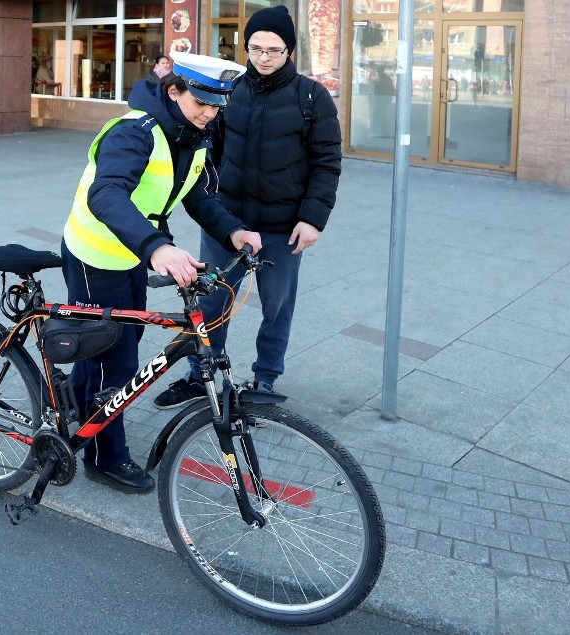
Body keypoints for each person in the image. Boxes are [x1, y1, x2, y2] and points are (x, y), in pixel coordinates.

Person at [61, 51, 262, 493]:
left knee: (119, 341)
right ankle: (102, 457)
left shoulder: (190, 133)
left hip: (134, 251)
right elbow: (107, 194)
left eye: (215, 108)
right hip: (97, 253)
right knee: (114, 359)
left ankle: (79, 402)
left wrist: (234, 232)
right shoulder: (135, 132)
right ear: (174, 91)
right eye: (200, 105)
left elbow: (198, 196)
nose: (208, 116)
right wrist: (158, 249)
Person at [155, 5, 342, 409]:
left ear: (289, 50)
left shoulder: (312, 96)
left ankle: (265, 380)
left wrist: (313, 219)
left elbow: (327, 162)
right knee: (211, 302)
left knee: (276, 307)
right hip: (228, 222)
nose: (263, 58)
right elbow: (208, 149)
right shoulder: (231, 88)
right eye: (256, 48)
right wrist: (212, 205)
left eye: (274, 50)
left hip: (283, 226)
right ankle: (198, 376)